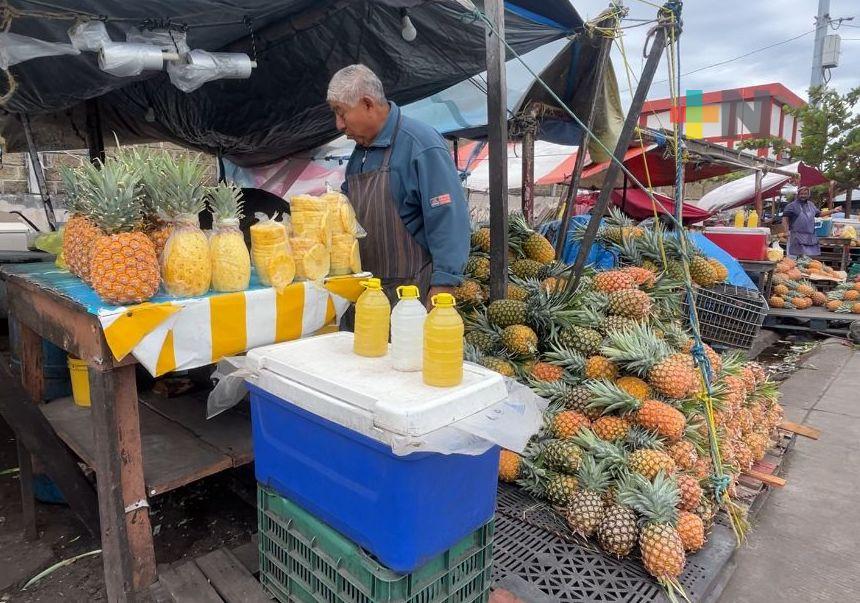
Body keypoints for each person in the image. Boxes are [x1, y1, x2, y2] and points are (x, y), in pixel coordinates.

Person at [326, 64, 469, 305]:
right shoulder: (361, 153)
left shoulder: (420, 144)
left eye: (341, 112)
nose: (338, 124)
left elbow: (449, 217)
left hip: (413, 294)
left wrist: (443, 285)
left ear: (368, 104)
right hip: (370, 294)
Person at [782, 186, 820, 258]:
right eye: (801, 194)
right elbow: (785, 219)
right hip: (795, 236)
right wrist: (786, 231)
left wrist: (833, 211)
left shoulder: (811, 205)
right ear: (797, 194)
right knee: (792, 258)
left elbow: (819, 214)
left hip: (809, 237)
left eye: (805, 194)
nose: (803, 196)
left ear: (808, 195)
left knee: (805, 259)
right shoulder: (791, 206)